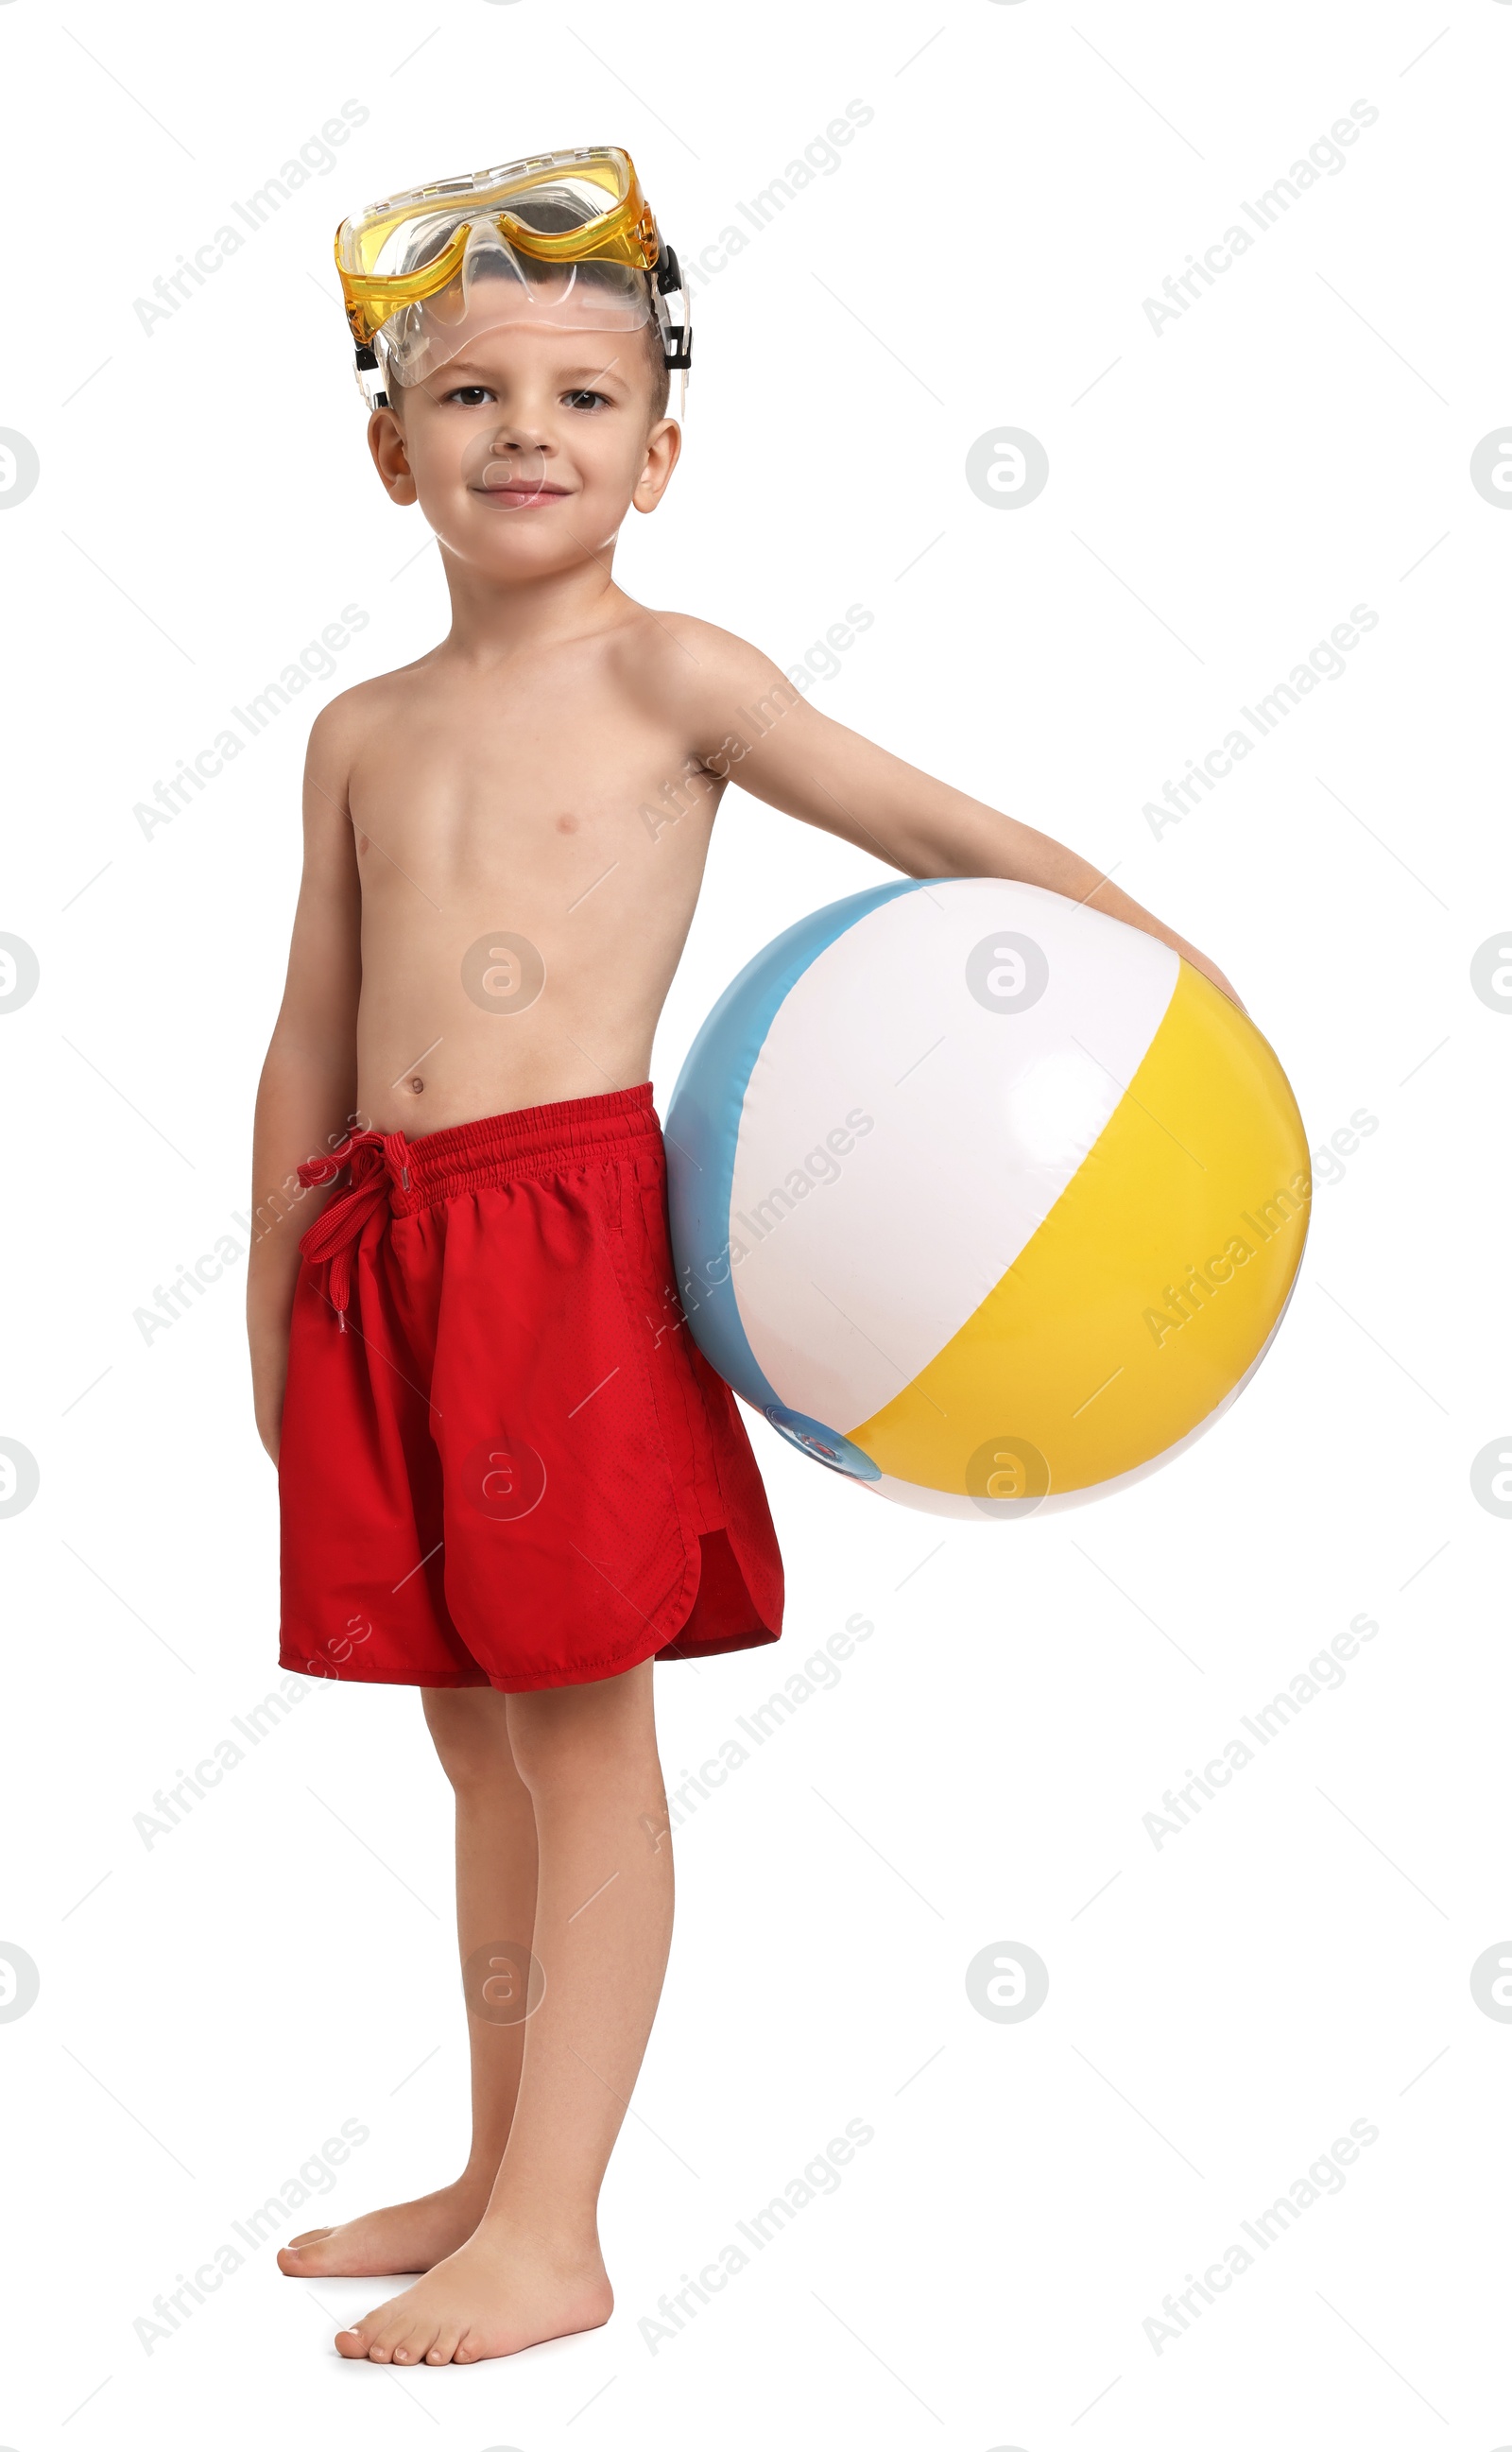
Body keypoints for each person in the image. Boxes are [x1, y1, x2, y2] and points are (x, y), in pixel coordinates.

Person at [250, 146, 1241, 2368]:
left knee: (579, 1740)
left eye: (585, 398)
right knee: (462, 1738)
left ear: (659, 452)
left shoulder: (674, 673)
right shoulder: (355, 730)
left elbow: (939, 832)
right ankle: (495, 2161)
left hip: (569, 1242)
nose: (528, 431)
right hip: (386, 1261)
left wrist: (1174, 979)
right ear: (385, 448)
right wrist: (271, 1311)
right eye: (474, 392)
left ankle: (561, 2226)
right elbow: (307, 1037)